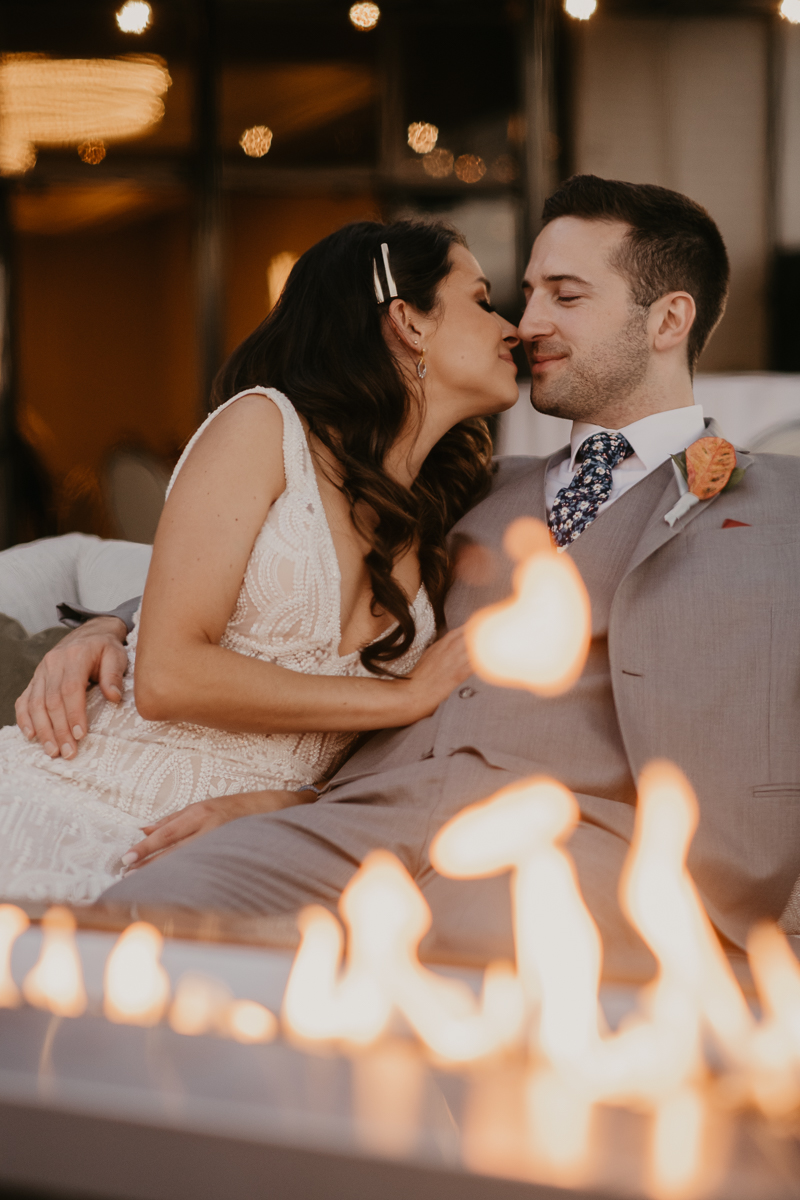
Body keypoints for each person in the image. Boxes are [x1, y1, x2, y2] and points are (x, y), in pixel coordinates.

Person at [20, 176, 800, 979]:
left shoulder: (783, 510)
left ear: (670, 319)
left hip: (572, 837)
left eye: (565, 296)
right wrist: (112, 624)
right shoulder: (474, 486)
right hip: (358, 816)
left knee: (441, 991)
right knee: (119, 939)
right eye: (524, 294)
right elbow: (291, 565)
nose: (528, 324)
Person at [0, 218, 521, 904]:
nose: (511, 326)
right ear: (408, 321)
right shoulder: (264, 426)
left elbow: (377, 752)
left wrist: (293, 802)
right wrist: (404, 694)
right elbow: (166, 675)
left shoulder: (450, 511)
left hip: (232, 853)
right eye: (482, 301)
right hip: (76, 799)